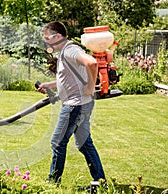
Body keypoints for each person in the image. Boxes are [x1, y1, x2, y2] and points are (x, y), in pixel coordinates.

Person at [37, 21, 106, 185]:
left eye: (48, 38)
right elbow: (70, 78)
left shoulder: (70, 50)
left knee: (57, 142)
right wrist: (50, 85)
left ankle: (53, 182)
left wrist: (90, 86)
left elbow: (92, 63)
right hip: (82, 103)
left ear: (58, 36)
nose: (46, 42)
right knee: (84, 143)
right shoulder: (65, 52)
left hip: (75, 105)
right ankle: (100, 181)